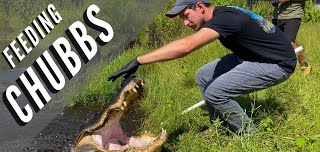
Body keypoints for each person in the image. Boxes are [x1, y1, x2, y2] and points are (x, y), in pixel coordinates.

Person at [108, 0, 296, 134]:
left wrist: (138, 60)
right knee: (203, 75)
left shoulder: (225, 19)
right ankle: (220, 126)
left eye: (186, 16)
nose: (185, 23)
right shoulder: (223, 13)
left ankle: (250, 134)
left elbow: (185, 47)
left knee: (215, 92)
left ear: (199, 6)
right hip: (251, 56)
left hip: (276, 63)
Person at [272, 0, 311, 75]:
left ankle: (304, 64)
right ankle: (280, 68)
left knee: (290, 43)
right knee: (276, 43)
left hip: (293, 15)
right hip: (277, 16)